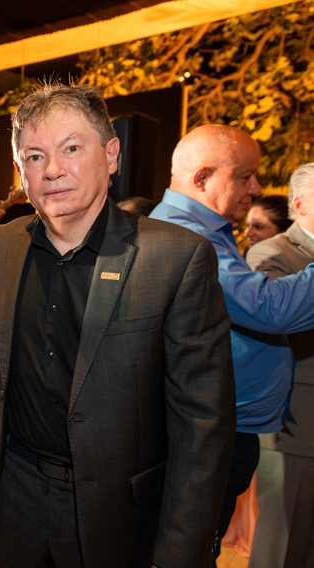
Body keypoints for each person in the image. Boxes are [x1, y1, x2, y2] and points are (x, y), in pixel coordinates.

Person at [0, 83, 236, 568]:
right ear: (20, 170)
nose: (52, 169)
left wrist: (180, 551)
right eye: (34, 156)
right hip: (15, 500)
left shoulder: (176, 258)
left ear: (112, 154)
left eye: (71, 149)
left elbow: (203, 424)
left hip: (122, 515)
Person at [150, 125, 314, 563]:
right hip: (206, 431)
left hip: (222, 426)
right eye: (245, 176)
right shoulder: (188, 234)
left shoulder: (208, 230)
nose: (256, 188)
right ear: (202, 178)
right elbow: (269, 308)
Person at [246, 163, 314, 567]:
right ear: (301, 204)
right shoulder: (272, 252)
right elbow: (272, 321)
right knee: (282, 544)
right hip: (296, 421)